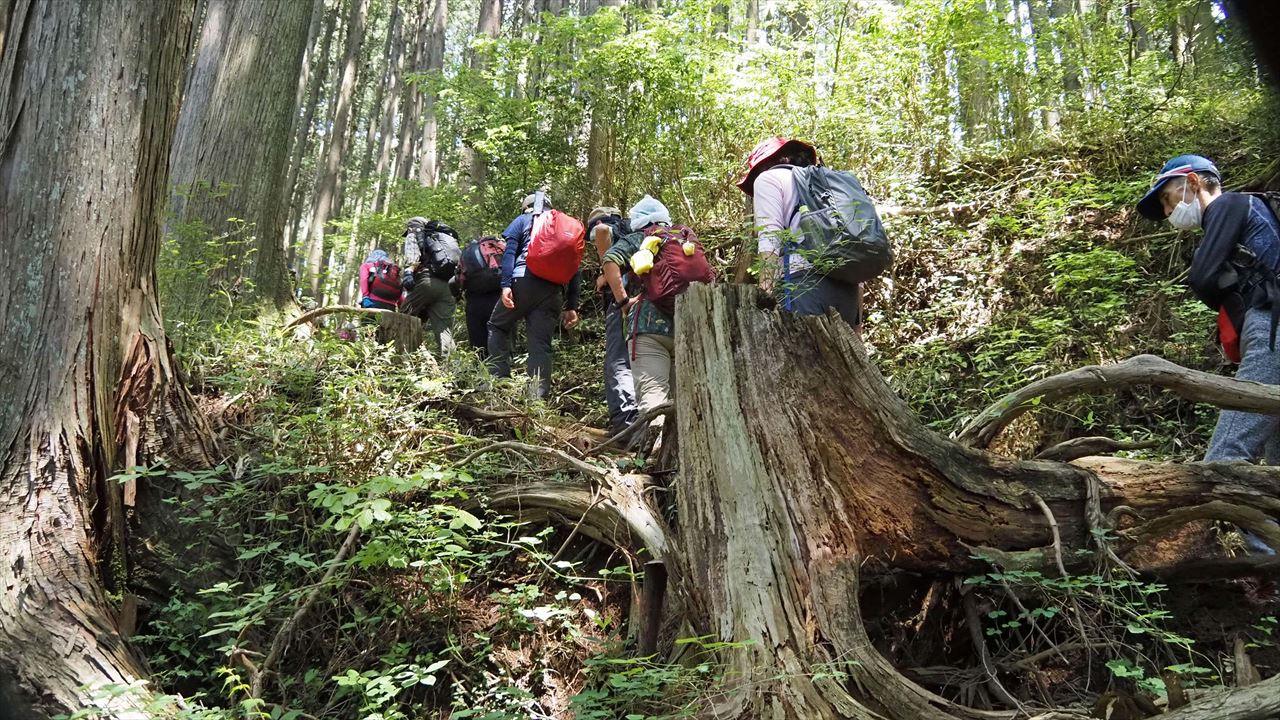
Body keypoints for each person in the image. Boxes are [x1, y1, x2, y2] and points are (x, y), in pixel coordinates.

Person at [1137, 154, 1280, 551]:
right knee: (1276, 465)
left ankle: (1265, 561)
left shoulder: (1229, 205)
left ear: (1194, 183)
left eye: (1168, 199)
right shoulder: (1255, 209)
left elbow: (1201, 277)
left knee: (1224, 459)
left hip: (1272, 329)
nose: (1170, 212)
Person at [602, 195, 712, 439]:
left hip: (647, 327)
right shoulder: (684, 237)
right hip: (686, 326)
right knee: (682, 399)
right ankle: (680, 455)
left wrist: (623, 302)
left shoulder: (640, 238)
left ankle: (652, 453)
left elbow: (610, 260)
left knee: (653, 396)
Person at [737, 137, 862, 326]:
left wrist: (765, 297)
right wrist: (858, 324)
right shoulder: (827, 184)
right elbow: (856, 248)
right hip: (848, 291)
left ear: (762, 166)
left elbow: (770, 239)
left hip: (802, 286)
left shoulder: (768, 179)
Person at [487, 193, 582, 399]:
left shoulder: (523, 220)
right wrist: (572, 306)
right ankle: (536, 398)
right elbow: (575, 269)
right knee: (540, 344)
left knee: (497, 326)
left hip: (523, 281)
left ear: (526, 207)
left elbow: (509, 253)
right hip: (552, 290)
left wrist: (505, 285)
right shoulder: (562, 227)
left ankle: (500, 385)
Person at [588, 206, 639, 434]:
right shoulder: (635, 231)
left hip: (623, 302)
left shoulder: (605, 227)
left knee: (618, 360)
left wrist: (605, 272)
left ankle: (626, 424)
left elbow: (600, 231)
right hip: (645, 300)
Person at [401, 216, 458, 354]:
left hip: (426, 281)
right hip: (447, 286)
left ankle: (401, 357)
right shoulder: (442, 238)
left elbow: (412, 256)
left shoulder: (415, 233)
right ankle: (453, 364)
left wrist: (408, 272)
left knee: (403, 317)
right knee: (444, 329)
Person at [457, 235, 506, 356]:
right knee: (502, 335)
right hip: (500, 298)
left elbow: (460, 278)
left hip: (475, 299)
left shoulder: (469, 251)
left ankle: (481, 363)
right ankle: (502, 363)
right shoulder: (502, 248)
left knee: (478, 339)